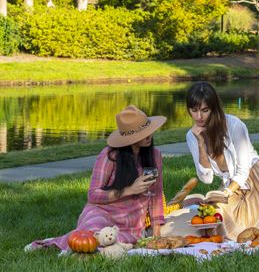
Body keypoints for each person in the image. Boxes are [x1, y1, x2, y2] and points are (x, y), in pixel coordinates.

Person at [27, 105, 167, 251]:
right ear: (129, 137)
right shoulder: (110, 156)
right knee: (92, 236)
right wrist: (129, 190)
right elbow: (93, 195)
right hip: (102, 212)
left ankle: (79, 244)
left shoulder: (155, 156)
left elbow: (156, 196)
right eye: (142, 133)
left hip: (130, 222)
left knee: (111, 242)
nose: (149, 135)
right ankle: (56, 242)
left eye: (149, 130)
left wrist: (156, 234)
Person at [185, 81, 259, 240]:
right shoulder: (191, 135)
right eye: (194, 111)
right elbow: (206, 178)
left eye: (204, 110)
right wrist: (201, 145)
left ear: (213, 108)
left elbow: (243, 170)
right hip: (228, 187)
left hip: (254, 180)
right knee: (214, 223)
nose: (199, 117)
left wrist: (227, 192)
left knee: (242, 229)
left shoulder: (234, 125)